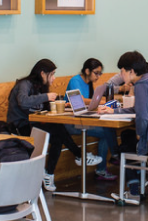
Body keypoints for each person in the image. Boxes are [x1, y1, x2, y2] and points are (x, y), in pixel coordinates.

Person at [7, 59, 100, 192]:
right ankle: (80, 155)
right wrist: (46, 96)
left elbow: (41, 107)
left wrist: (61, 103)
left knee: (57, 134)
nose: (54, 78)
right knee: (57, 130)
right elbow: (23, 101)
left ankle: (49, 173)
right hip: (19, 126)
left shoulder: (40, 87)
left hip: (33, 124)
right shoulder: (24, 84)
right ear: (42, 73)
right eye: (52, 74)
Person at [97, 52, 148, 193]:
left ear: (131, 71)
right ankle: (139, 180)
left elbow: (143, 117)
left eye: (122, 71)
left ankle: (134, 188)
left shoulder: (141, 86)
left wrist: (140, 134)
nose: (121, 75)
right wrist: (113, 111)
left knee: (122, 149)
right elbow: (138, 109)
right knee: (127, 134)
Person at [64, 58, 119, 181]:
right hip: (70, 122)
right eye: (96, 73)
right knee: (106, 132)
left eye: (100, 73)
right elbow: (80, 99)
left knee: (108, 128)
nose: (98, 76)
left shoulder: (89, 84)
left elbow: (90, 104)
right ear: (87, 71)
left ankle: (106, 164)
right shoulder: (75, 80)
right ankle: (110, 160)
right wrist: (102, 101)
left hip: (83, 119)